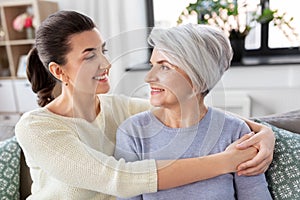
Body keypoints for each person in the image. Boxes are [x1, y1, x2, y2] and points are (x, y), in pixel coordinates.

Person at [14, 10, 274, 199]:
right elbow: (120, 179)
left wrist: (263, 132)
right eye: (90, 56)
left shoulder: (118, 108)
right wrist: (226, 162)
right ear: (59, 71)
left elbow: (190, 108)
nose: (105, 64)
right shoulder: (37, 127)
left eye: (103, 50)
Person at [114, 24, 272, 199]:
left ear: (199, 78)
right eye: (152, 65)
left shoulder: (236, 132)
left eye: (164, 67)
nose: (149, 77)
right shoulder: (133, 133)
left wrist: (267, 131)